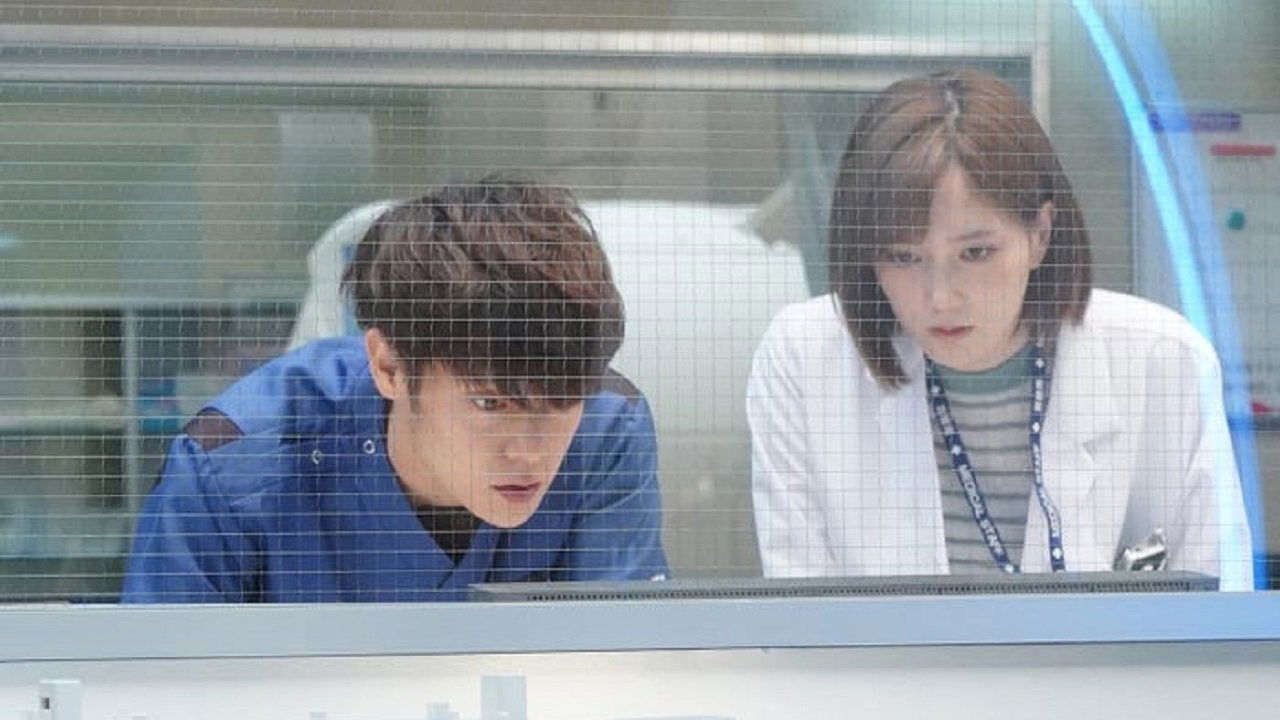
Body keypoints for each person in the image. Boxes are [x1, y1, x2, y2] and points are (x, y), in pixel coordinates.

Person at [747, 70, 1253, 589]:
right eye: (903, 256)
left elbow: (1220, 614)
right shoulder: (805, 360)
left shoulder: (1164, 361)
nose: (941, 297)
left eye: (975, 252)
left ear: (1040, 234)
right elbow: (804, 620)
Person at [123, 180, 669, 602]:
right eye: (490, 402)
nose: (529, 451)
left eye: (562, 401)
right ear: (389, 367)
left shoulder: (606, 428)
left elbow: (622, 663)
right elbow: (158, 685)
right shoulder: (233, 464)